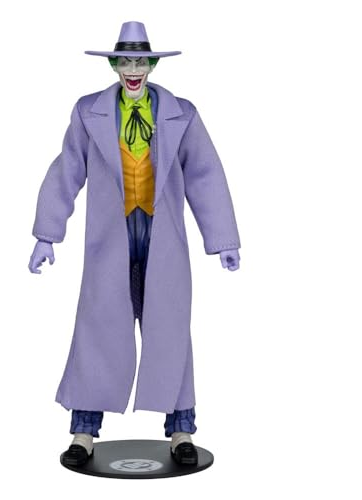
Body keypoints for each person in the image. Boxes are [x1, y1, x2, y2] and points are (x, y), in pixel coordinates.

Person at [29, 21, 241, 466]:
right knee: (96, 330)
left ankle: (181, 429)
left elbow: (205, 174)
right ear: (113, 65)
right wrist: (47, 234)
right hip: (111, 237)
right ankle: (83, 432)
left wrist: (222, 238)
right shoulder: (89, 112)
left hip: (163, 237)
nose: (133, 69)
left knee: (171, 331)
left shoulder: (181, 113)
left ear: (152, 65)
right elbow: (66, 171)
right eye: (125, 61)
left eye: (140, 61)